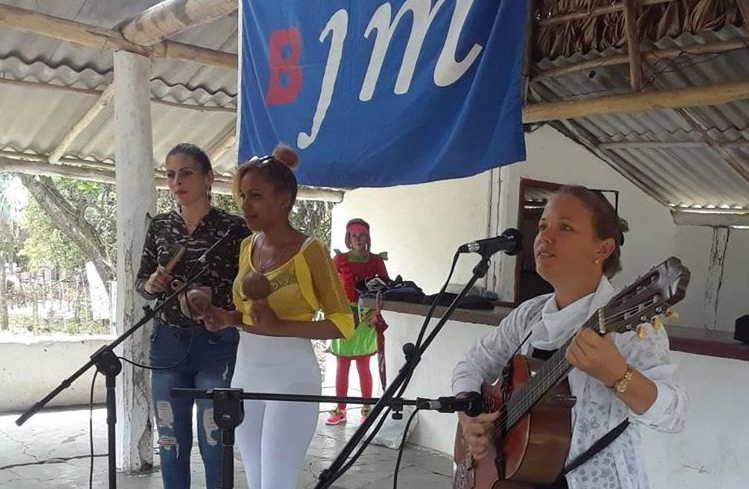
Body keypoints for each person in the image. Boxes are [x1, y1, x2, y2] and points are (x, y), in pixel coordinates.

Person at [452, 185, 687, 489]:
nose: (544, 237)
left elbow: (674, 414)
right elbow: (472, 364)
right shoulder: (530, 314)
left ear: (602, 249)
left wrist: (619, 375)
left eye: (565, 227)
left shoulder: (630, 329)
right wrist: (468, 414)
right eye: (542, 226)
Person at [202, 144, 354, 489]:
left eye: (255, 195)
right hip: (247, 372)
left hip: (292, 376)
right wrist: (226, 318)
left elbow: (343, 323)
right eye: (242, 195)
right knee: (256, 481)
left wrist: (280, 326)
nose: (245, 205)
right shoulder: (247, 246)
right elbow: (248, 316)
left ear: (284, 199)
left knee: (276, 483)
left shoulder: (309, 250)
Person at [136, 143, 250, 489]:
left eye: (186, 173)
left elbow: (249, 287)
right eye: (170, 174)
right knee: (170, 441)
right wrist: (152, 284)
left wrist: (213, 297)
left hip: (217, 343)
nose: (176, 181)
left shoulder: (235, 229)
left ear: (208, 179)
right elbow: (141, 282)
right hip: (168, 343)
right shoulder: (160, 227)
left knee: (215, 440)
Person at [325, 218, 389, 425]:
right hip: (344, 316)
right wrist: (332, 313)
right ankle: (340, 409)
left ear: (368, 237)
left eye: (362, 235)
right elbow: (330, 288)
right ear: (348, 238)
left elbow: (386, 289)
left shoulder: (376, 261)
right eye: (354, 235)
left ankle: (366, 408)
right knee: (342, 364)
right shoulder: (339, 260)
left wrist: (375, 312)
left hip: (367, 317)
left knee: (363, 364)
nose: (358, 239)